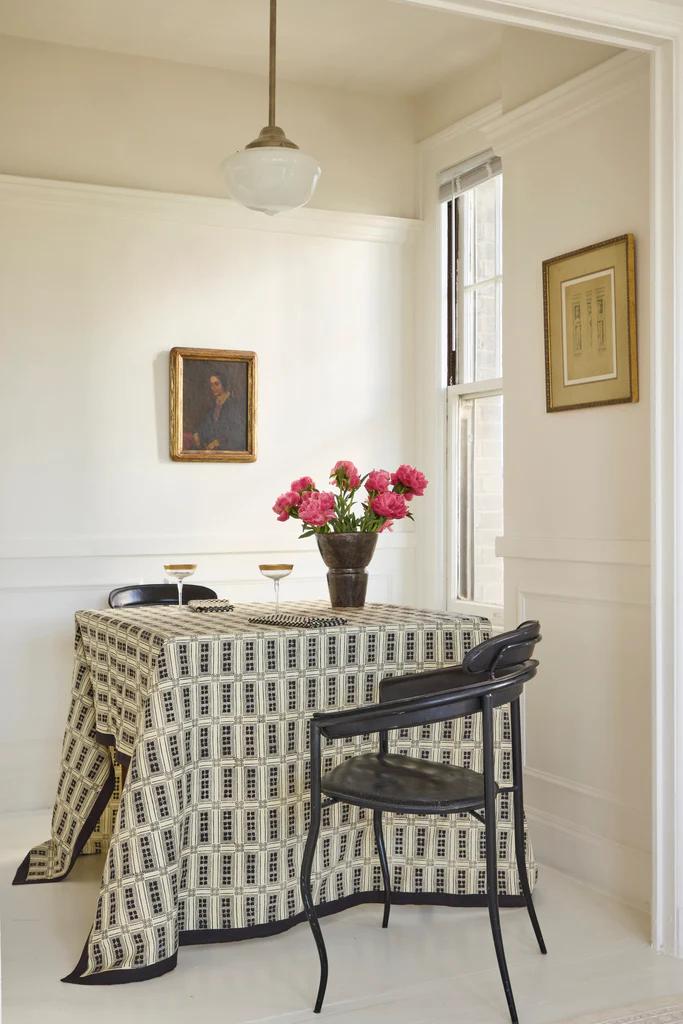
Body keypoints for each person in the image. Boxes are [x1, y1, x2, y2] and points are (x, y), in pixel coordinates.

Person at [193, 370, 246, 451]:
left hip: (228, 449)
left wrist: (219, 442)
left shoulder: (234, 405)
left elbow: (237, 433)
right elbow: (206, 426)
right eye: (211, 385)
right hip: (210, 448)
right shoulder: (214, 406)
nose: (213, 388)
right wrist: (197, 434)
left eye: (217, 384)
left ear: (224, 384)